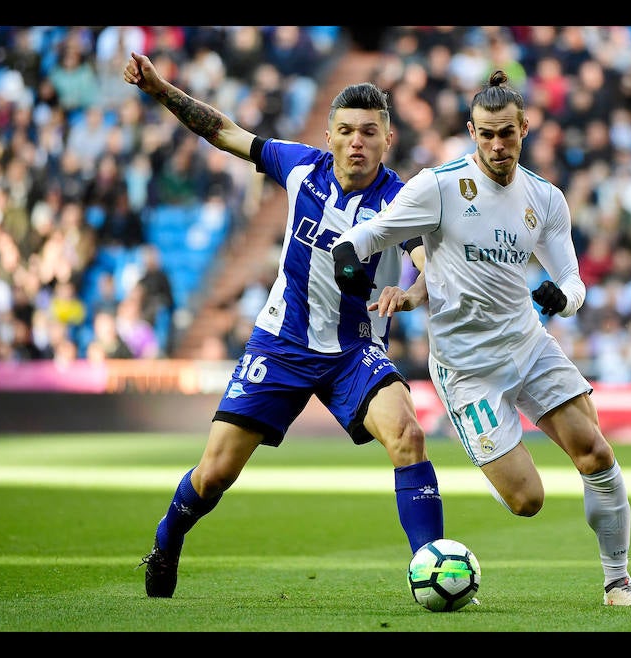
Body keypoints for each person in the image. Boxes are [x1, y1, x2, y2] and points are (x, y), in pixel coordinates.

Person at [332, 70, 631, 607]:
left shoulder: (546, 199)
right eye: (485, 134)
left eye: (506, 132)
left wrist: (565, 298)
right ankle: (485, 450)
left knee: (596, 454)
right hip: (466, 369)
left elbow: (573, 280)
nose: (496, 144)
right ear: (470, 130)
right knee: (527, 501)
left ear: (525, 128)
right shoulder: (439, 186)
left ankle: (618, 583)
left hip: (528, 346)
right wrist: (349, 252)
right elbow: (376, 231)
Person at [123, 51, 444, 598]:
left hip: (354, 351)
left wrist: (409, 294)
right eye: (346, 131)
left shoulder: (400, 201)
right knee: (215, 473)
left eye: (369, 131)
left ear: (387, 140)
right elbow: (223, 130)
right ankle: (166, 540)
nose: (357, 142)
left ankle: (434, 568)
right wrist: (160, 90)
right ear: (329, 135)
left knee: (409, 435)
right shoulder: (299, 167)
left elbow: (425, 265)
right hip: (281, 344)